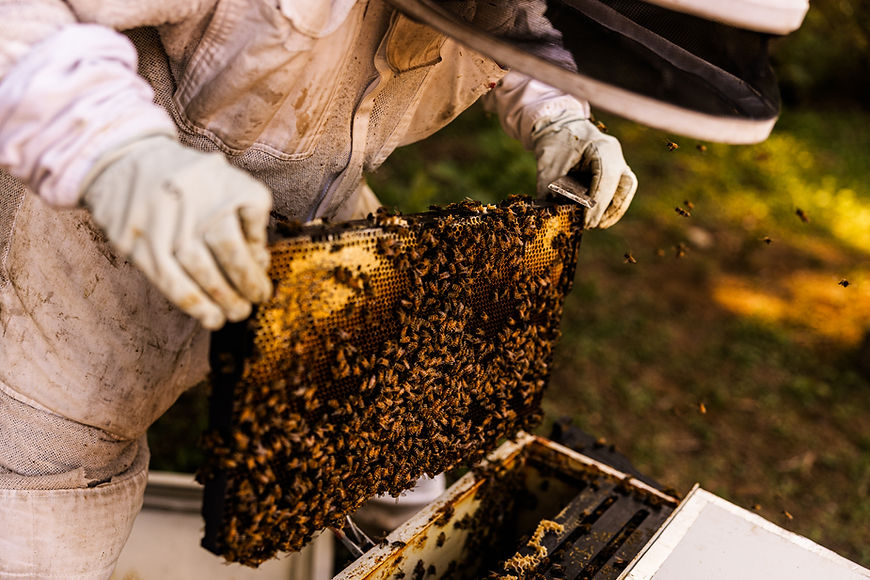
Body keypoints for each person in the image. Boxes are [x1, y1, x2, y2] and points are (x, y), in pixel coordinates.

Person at [0, 1, 636, 577]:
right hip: (90, 232)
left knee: (399, 432)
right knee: (42, 517)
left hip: (313, 217)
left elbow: (518, 33)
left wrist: (558, 118)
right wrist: (118, 152)